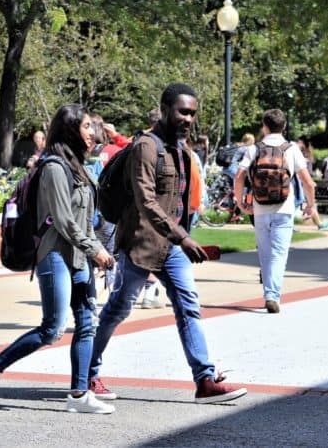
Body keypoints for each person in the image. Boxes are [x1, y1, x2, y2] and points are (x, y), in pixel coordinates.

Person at [88, 83, 247, 404]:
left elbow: (179, 202)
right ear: (164, 109)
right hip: (140, 245)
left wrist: (182, 237)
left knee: (188, 307)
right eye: (182, 111)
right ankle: (87, 372)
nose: (188, 118)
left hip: (171, 248)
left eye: (192, 113)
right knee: (117, 310)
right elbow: (146, 200)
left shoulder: (181, 149)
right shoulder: (146, 147)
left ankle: (205, 379)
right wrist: (184, 237)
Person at [0, 104, 116, 414]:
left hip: (78, 255)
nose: (94, 132)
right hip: (53, 255)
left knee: (87, 322)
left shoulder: (79, 165)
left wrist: (96, 251)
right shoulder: (53, 167)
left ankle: (79, 395)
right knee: (52, 328)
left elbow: (85, 219)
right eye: (87, 126)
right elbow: (64, 221)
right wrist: (96, 250)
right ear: (70, 130)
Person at [235, 109, 317, 314]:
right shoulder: (291, 149)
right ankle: (272, 295)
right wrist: (311, 204)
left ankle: (268, 292)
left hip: (260, 208)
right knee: (279, 254)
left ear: (265, 126)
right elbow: (308, 182)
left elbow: (239, 176)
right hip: (284, 207)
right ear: (284, 126)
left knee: (264, 252)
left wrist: (240, 202)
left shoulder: (254, 149)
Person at [297, 136, 328, 230]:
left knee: (311, 203)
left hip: (303, 183)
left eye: (300, 142)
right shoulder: (302, 156)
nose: (298, 144)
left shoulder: (304, 156)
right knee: (310, 203)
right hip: (301, 183)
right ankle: (319, 224)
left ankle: (319, 223)